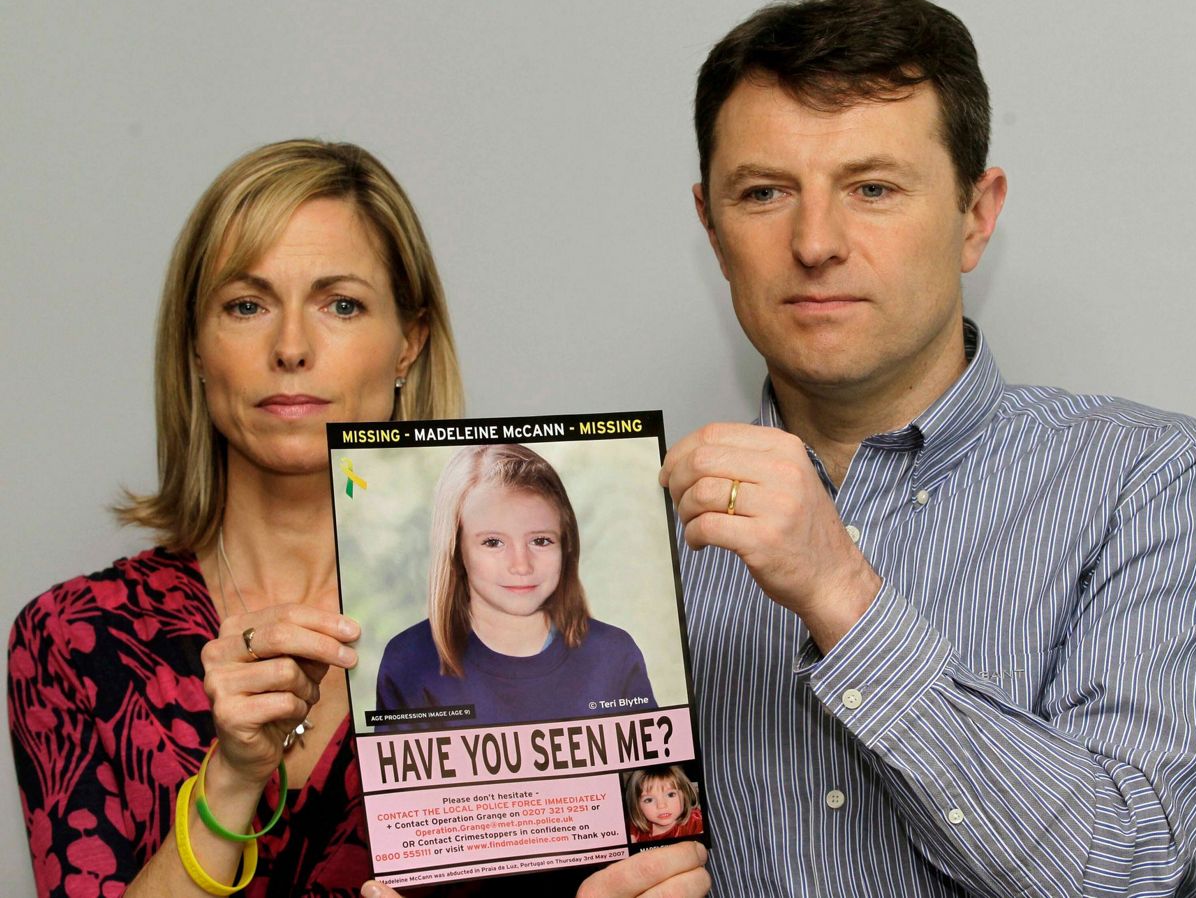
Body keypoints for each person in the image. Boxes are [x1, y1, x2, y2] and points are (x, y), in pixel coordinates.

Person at [658, 0, 1196, 897]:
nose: (815, 242)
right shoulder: (628, 531)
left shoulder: (1153, 484)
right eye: (765, 193)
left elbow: (1130, 871)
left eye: (873, 188)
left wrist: (842, 595)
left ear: (976, 215)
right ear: (712, 227)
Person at [6, 140, 707, 898]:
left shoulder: (535, 633)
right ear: (197, 348)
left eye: (341, 304)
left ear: (409, 343)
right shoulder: (75, 638)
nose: (291, 348)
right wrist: (231, 778)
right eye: (247, 305)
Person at [375, 443, 656, 728]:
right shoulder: (408, 660)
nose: (521, 565)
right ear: (456, 550)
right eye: (493, 542)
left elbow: (657, 756)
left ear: (566, 544)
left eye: (540, 541)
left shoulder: (614, 654)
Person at [624, 765, 703, 844]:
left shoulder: (696, 822)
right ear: (637, 806)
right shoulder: (634, 829)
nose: (661, 806)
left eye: (670, 795)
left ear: (685, 795)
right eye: (649, 800)